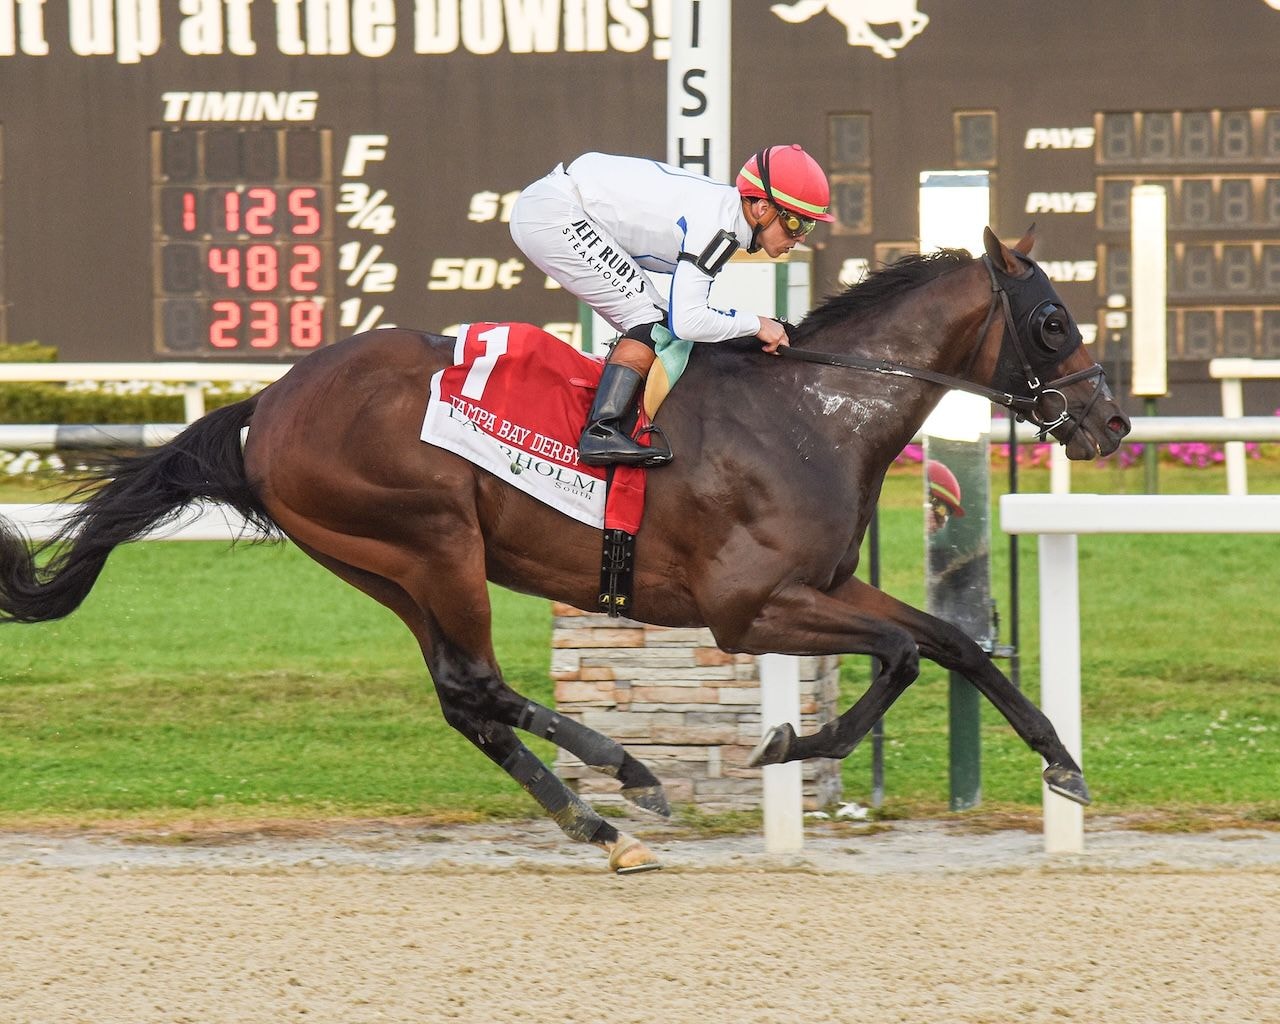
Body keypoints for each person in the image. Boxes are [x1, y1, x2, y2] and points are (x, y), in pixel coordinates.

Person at [509, 145, 833, 467]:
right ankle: (601, 431)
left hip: (557, 205)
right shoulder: (719, 227)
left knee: (655, 320)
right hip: (556, 212)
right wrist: (757, 324)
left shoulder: (726, 217)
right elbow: (688, 321)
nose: (801, 236)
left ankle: (620, 421)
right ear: (762, 208)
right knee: (652, 320)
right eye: (796, 223)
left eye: (810, 226)